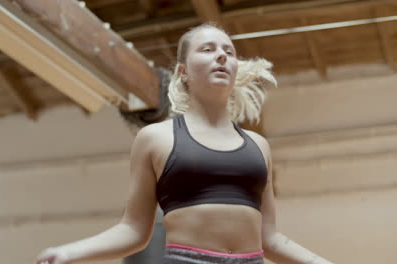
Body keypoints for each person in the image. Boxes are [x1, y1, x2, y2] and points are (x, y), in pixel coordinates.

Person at [36, 23, 334, 264]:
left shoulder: (258, 145)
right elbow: (134, 230)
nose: (221, 56)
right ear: (183, 72)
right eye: (208, 49)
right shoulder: (155, 138)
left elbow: (270, 239)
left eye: (228, 52)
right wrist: (70, 252)